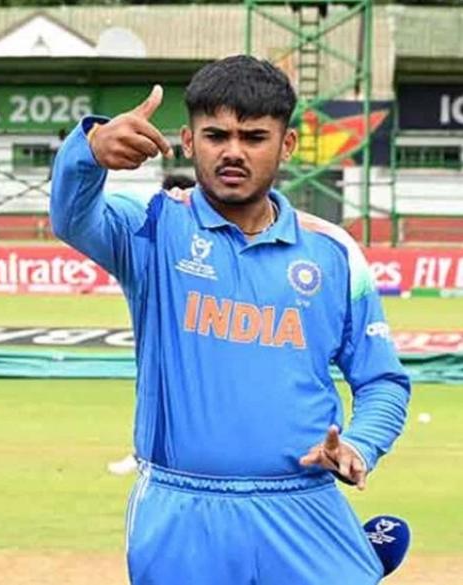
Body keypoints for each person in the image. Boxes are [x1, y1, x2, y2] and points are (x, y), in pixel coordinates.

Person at [51, 55, 410, 584]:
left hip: (304, 507)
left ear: (286, 144)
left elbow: (382, 381)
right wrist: (87, 153)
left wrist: (360, 444)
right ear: (188, 141)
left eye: (254, 137)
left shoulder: (333, 251)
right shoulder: (154, 227)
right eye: (216, 135)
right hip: (183, 511)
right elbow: (71, 217)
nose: (233, 151)